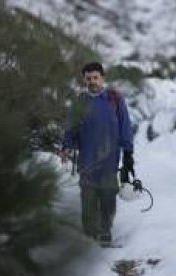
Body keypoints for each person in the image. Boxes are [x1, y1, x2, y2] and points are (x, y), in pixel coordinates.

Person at [60, 62, 134, 246]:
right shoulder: (80, 102)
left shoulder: (115, 99)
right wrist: (66, 145)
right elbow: (70, 127)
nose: (92, 81)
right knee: (88, 198)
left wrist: (128, 153)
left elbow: (125, 126)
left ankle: (105, 230)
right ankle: (89, 234)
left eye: (95, 77)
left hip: (110, 160)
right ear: (84, 79)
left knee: (108, 196)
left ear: (102, 77)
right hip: (87, 160)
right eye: (88, 78)